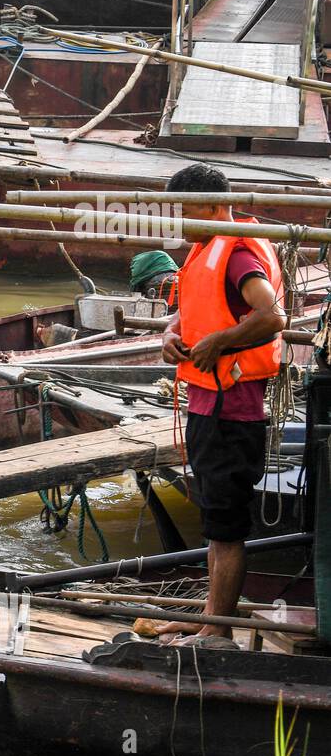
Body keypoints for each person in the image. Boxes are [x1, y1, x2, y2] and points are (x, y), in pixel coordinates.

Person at [156, 163, 287, 645]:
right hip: (207, 405)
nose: (181, 224)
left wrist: (220, 343)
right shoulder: (207, 248)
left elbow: (271, 315)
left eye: (186, 213)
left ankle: (217, 633)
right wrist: (172, 333)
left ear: (213, 206)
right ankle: (210, 615)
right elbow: (189, 313)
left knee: (227, 526)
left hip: (232, 411)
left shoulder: (235, 255)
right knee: (215, 518)